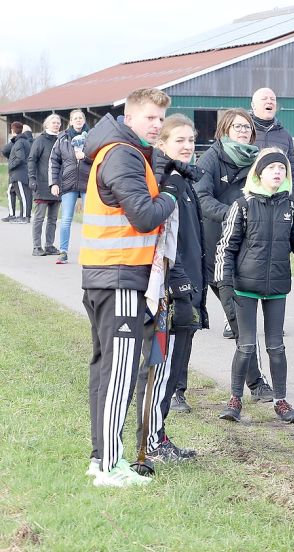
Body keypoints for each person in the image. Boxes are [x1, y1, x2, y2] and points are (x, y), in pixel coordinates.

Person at [80, 88, 178, 487]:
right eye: (151, 118)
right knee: (118, 373)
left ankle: (102, 456)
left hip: (111, 274)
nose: (157, 126)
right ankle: (108, 466)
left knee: (107, 370)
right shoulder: (122, 153)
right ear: (131, 116)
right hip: (119, 275)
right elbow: (143, 215)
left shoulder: (123, 151)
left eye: (161, 120)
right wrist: (169, 195)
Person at [215, 148, 294, 422]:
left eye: (282, 168)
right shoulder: (242, 206)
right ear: (259, 173)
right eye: (272, 168)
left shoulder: (293, 207)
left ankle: (281, 401)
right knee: (246, 345)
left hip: (277, 287)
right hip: (244, 287)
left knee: (276, 346)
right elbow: (225, 248)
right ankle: (235, 400)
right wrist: (225, 284)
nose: (277, 172)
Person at [130, 114, 205, 462]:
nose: (188, 146)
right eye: (180, 140)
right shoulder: (164, 181)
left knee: (172, 371)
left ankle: (158, 435)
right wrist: (177, 287)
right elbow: (163, 243)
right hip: (168, 296)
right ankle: (149, 444)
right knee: (159, 372)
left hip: (189, 289)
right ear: (162, 144)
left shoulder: (183, 179)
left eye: (191, 140)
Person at [194, 108, 276, 401]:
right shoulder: (211, 159)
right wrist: (235, 215)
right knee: (224, 322)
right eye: (237, 127)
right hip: (217, 254)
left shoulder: (258, 159)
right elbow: (201, 198)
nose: (243, 131)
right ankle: (255, 384)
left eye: (247, 128)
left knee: (245, 324)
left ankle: (255, 384)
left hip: (249, 253)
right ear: (224, 129)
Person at [49, 109, 92, 264]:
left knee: (90, 219)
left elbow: (100, 158)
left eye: (81, 117)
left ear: (84, 120)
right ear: (71, 121)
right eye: (75, 118)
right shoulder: (63, 138)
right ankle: (63, 252)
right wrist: (54, 183)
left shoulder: (92, 137)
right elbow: (54, 161)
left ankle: (90, 252)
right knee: (66, 219)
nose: (78, 120)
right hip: (68, 183)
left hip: (88, 184)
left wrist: (86, 157)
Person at [250, 87, 294, 186]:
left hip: (278, 197)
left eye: (273, 99)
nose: (269, 101)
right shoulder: (244, 132)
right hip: (249, 196)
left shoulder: (285, 135)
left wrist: (291, 197)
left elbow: (292, 172)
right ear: (253, 105)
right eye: (264, 99)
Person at [28, 115, 61, 255]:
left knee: (53, 219)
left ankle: (49, 245)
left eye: (58, 123)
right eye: (53, 122)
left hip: (58, 185)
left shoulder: (61, 140)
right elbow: (31, 160)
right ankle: (36, 247)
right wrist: (32, 178)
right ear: (46, 125)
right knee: (39, 218)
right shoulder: (40, 140)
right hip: (41, 184)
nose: (56, 125)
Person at [3, 122, 33, 223]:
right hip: (17, 174)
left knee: (23, 195)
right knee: (10, 192)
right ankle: (13, 215)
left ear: (12, 130)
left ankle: (25, 217)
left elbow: (20, 158)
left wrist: (11, 165)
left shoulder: (20, 142)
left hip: (19, 173)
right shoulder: (21, 141)